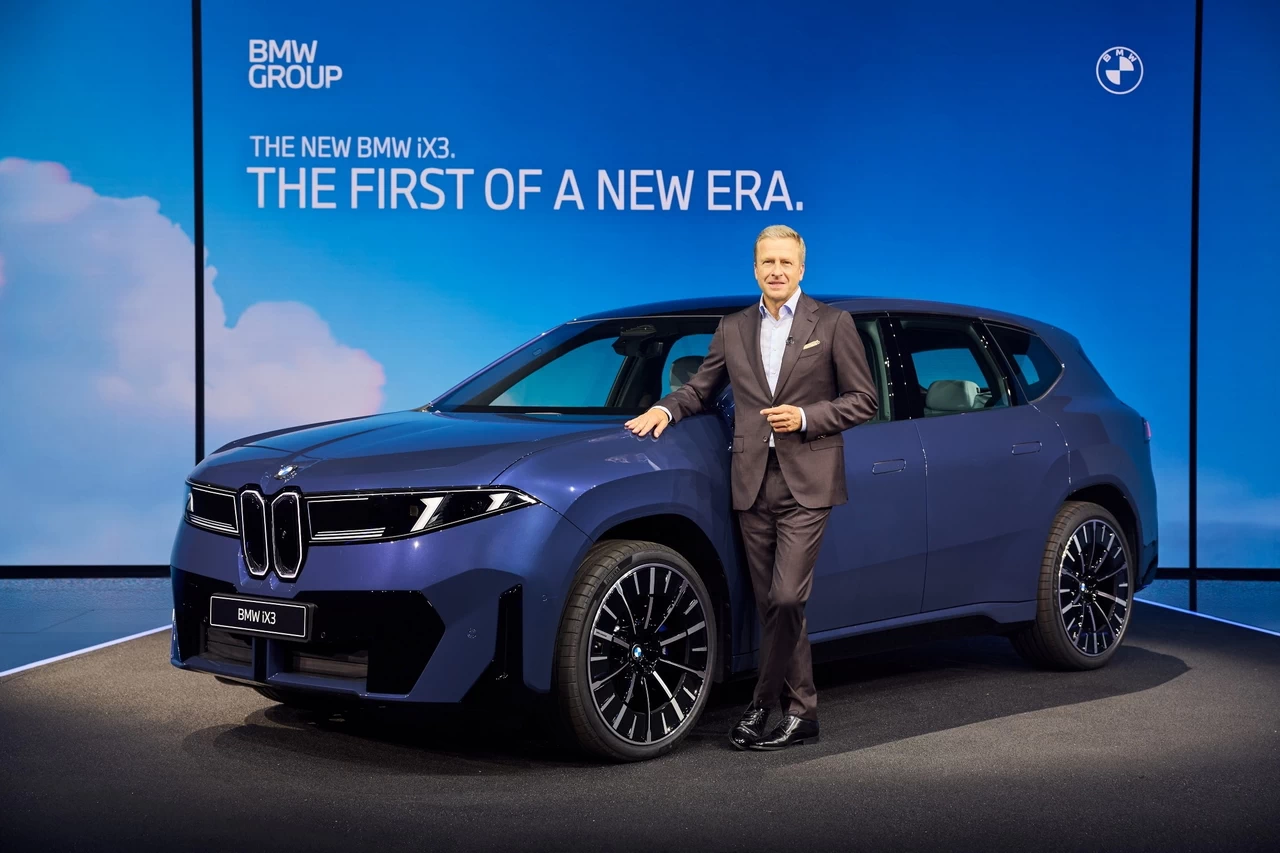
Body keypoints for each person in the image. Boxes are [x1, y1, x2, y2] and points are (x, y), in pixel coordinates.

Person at [624, 225, 878, 751]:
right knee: (773, 608)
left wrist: (805, 417)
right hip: (751, 480)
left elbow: (863, 400)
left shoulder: (832, 323)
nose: (776, 271)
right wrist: (665, 409)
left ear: (801, 269)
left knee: (787, 597)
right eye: (768, 262)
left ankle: (760, 704)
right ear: (755, 268)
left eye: (786, 262)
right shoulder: (733, 327)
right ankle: (802, 712)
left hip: (808, 479)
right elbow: (701, 388)